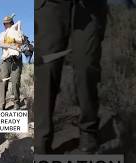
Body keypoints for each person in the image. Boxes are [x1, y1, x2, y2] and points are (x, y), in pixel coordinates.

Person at [35, 0, 108, 154]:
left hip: (90, 7)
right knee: (46, 67)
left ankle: (88, 130)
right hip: (50, 5)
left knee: (86, 64)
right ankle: (41, 138)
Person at [0, 15, 24, 110]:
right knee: (3, 83)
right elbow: (1, 44)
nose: (6, 25)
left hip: (16, 59)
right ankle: (2, 105)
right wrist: (9, 42)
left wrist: (15, 38)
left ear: (12, 23)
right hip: (5, 60)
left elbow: (22, 41)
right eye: (5, 23)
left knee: (15, 82)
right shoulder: (2, 34)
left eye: (8, 23)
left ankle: (16, 103)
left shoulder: (18, 31)